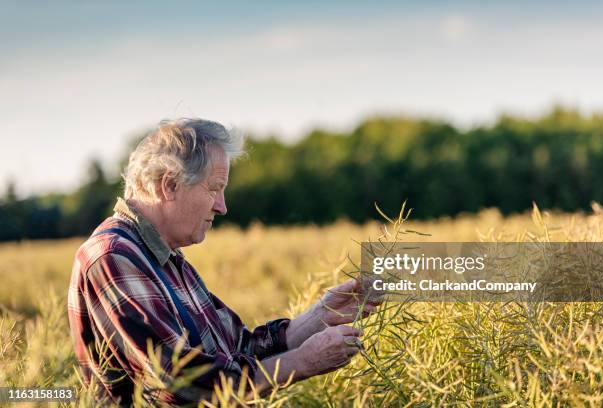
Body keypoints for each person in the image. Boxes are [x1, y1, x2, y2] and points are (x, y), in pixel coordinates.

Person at [67, 118, 379, 406]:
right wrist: (303, 361)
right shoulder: (113, 257)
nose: (222, 206)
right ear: (169, 185)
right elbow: (180, 384)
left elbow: (236, 350)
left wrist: (323, 314)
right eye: (214, 188)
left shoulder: (166, 257)